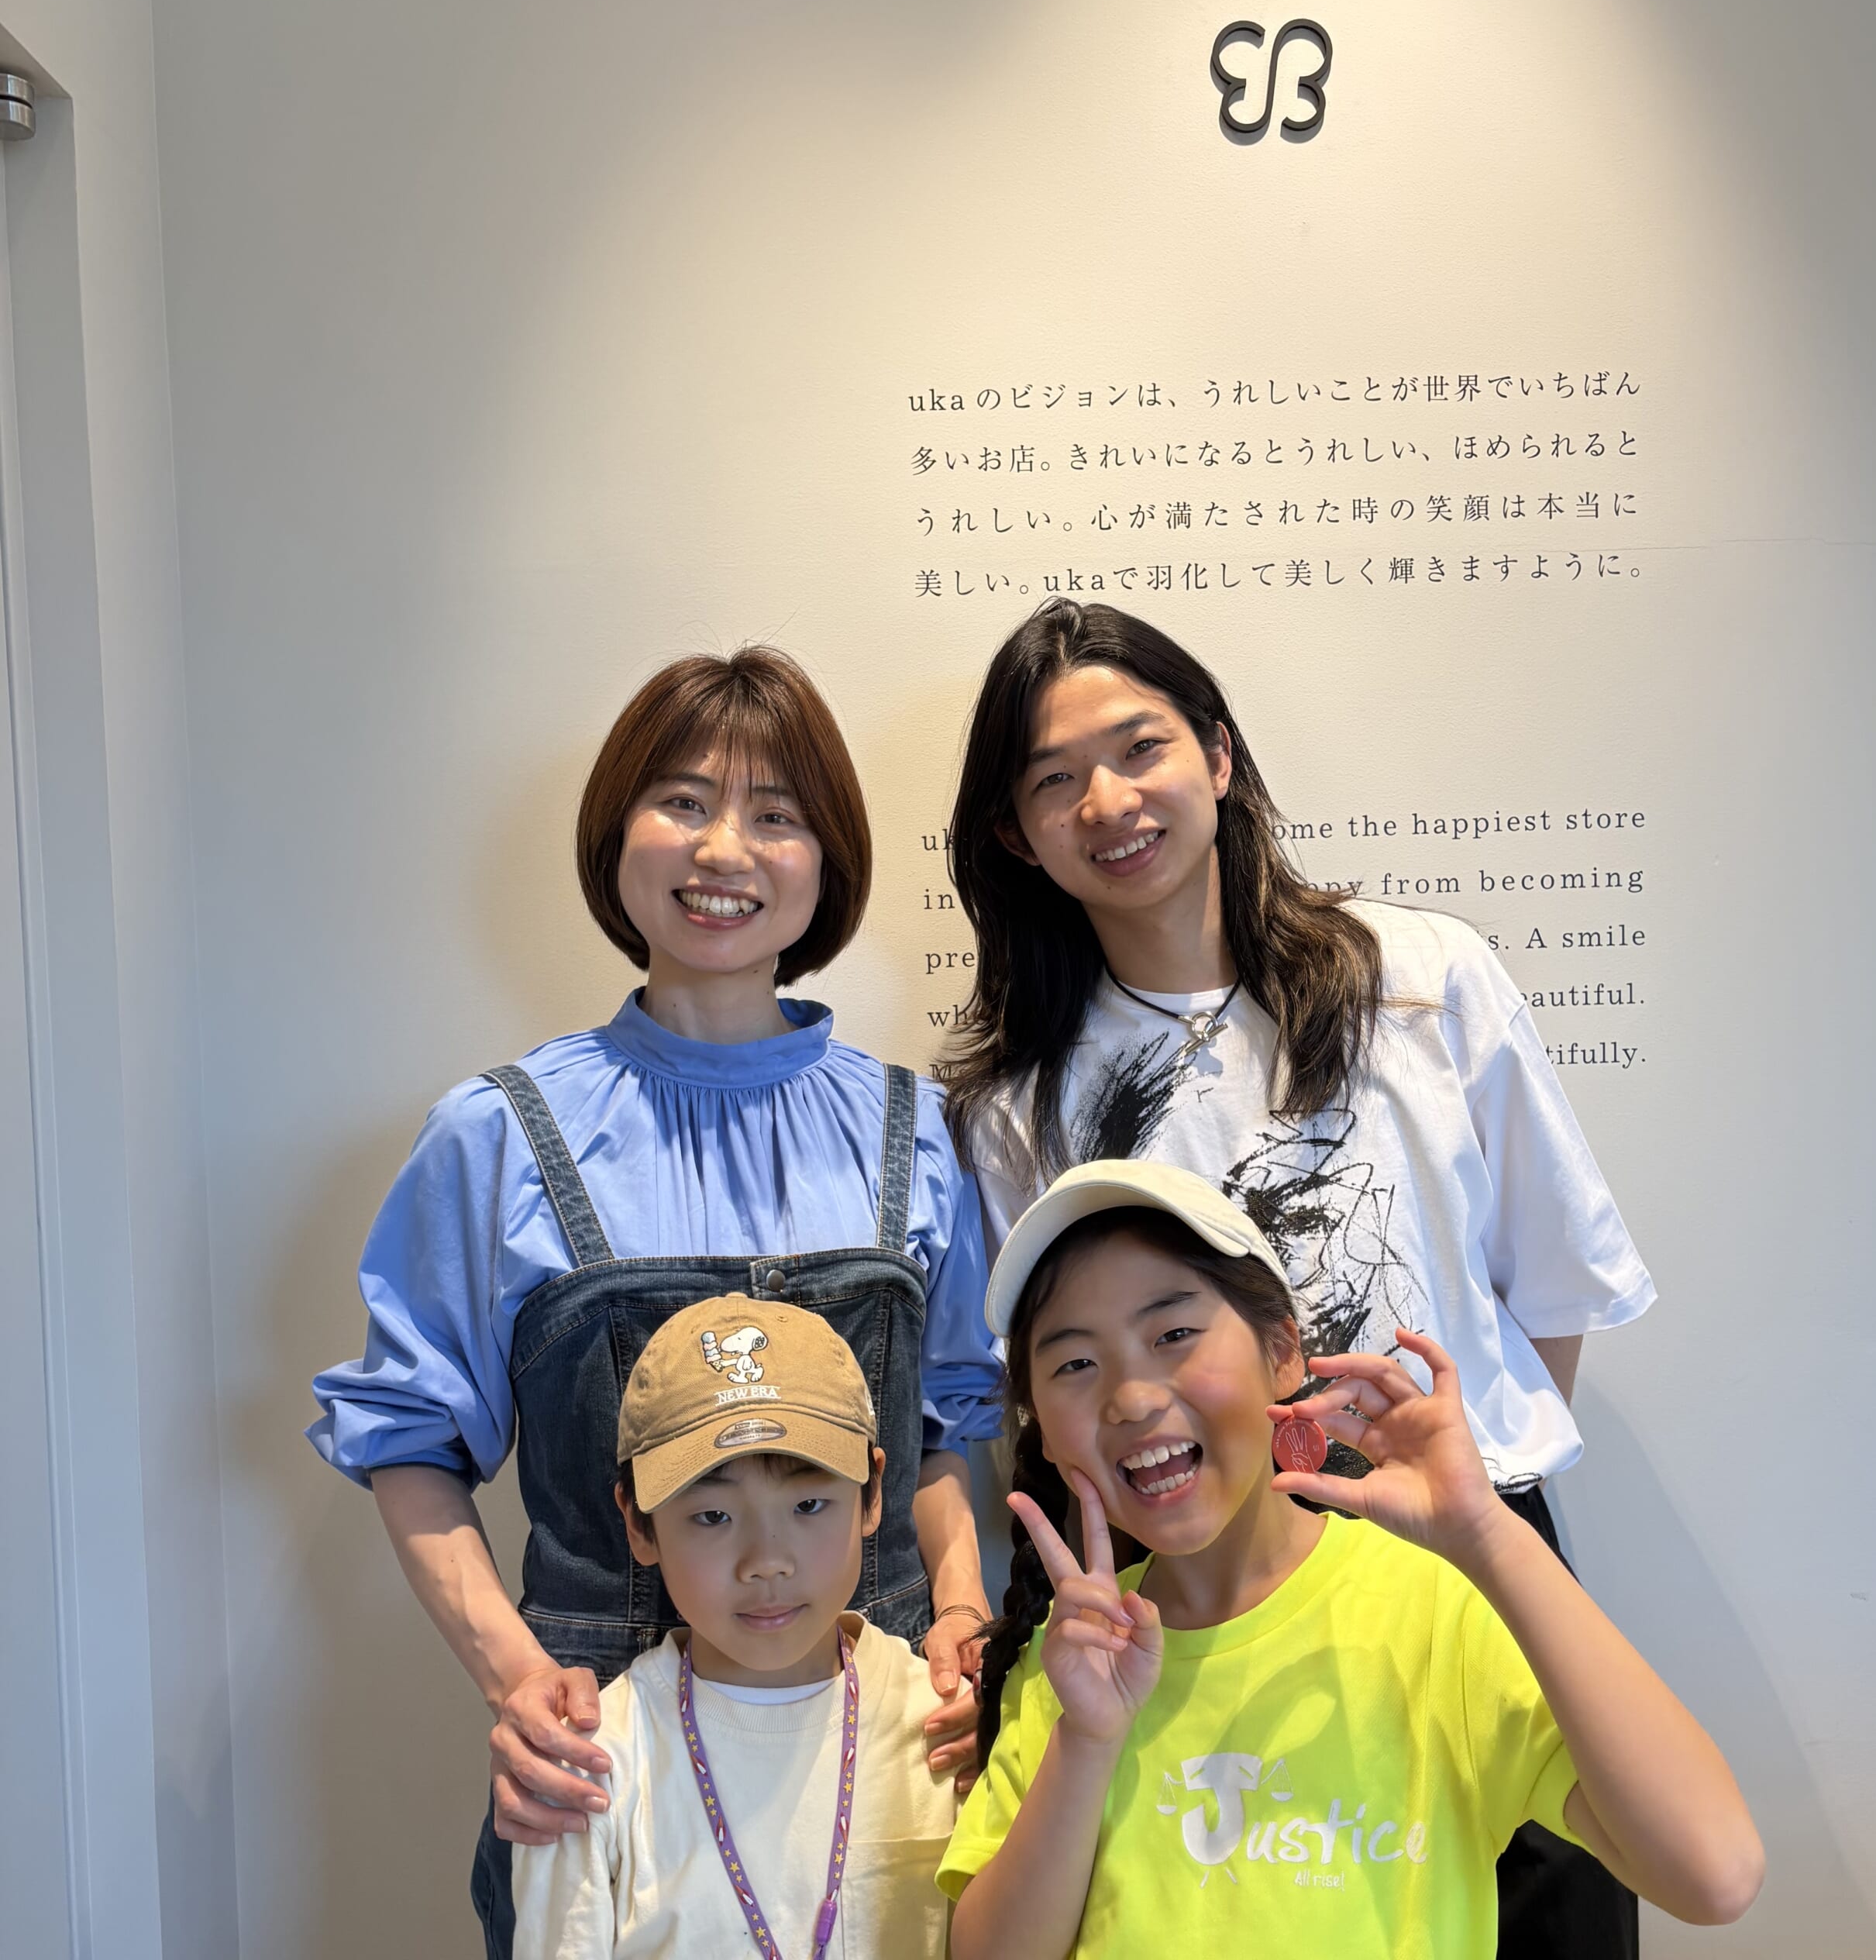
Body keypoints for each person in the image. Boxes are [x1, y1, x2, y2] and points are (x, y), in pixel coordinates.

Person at [940, 598, 1657, 1953]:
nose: (1108, 802)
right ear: (1015, 834)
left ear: (1217, 754)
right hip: (1211, 1607)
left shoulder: (1423, 981)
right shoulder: (1016, 1103)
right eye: (1053, 780)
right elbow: (1039, 1391)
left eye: (1140, 748)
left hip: (1469, 1563)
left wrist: (1465, 1507)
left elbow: (1551, 1292)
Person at [309, 648, 997, 1957]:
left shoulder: (910, 1127)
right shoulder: (498, 1134)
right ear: (616, 832)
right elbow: (408, 1441)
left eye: (776, 814)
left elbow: (947, 1424)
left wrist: (961, 1607)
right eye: (683, 801)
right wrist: (519, 1684)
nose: (724, 849)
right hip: (604, 1748)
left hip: (885, 1730)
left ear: (828, 858)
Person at [940, 1160, 1762, 1957]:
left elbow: (1713, 1874)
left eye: (1174, 1333)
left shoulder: (1437, 1611)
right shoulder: (1071, 1657)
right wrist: (1086, 1740)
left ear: (1282, 1352)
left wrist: (1486, 1532)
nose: (1130, 1396)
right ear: (1041, 1427)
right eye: (1075, 1363)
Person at [511, 1295, 959, 1957]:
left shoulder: (950, 1723)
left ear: (872, 1494)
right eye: (713, 1516)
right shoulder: (596, 1763)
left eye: (810, 1503)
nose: (766, 1561)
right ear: (638, 1523)